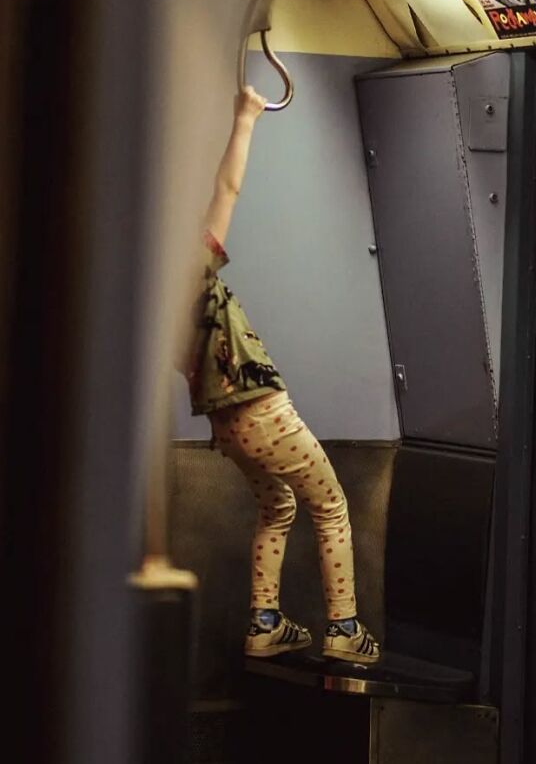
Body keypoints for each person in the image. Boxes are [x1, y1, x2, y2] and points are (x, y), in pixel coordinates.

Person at [179, 85, 380, 665]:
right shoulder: (190, 270)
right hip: (263, 411)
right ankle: (343, 628)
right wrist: (245, 115)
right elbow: (228, 188)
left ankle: (265, 622)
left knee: (278, 509)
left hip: (227, 427)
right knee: (332, 506)